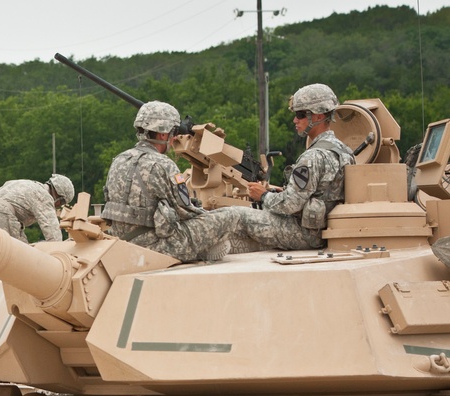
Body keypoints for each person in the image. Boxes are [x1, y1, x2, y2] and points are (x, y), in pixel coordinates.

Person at [207, 83, 356, 251]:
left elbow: (290, 205)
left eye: (300, 115)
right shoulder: (344, 151)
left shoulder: (313, 156)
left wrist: (263, 196)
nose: (295, 120)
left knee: (234, 214)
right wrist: (279, 194)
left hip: (303, 233)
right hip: (324, 231)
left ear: (319, 116)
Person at [101, 100, 237, 262]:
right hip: (156, 246)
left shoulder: (119, 160)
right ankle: (200, 251)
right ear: (163, 134)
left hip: (121, 241)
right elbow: (185, 211)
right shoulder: (163, 164)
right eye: (174, 132)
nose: (175, 138)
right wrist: (206, 215)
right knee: (230, 215)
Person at [0, 174, 75, 243]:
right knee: (24, 257)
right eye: (61, 203)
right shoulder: (44, 196)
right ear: (59, 198)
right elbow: (54, 235)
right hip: (2, 216)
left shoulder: (26, 183)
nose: (57, 206)